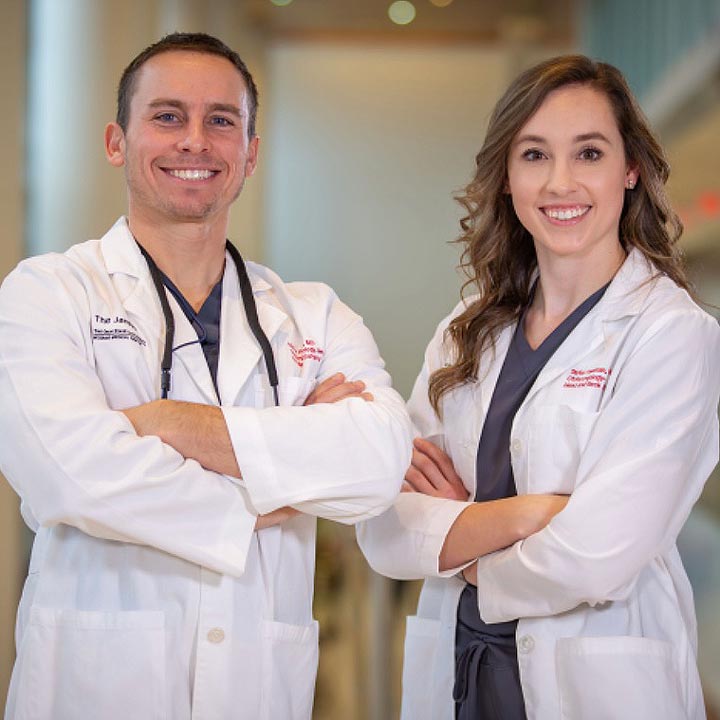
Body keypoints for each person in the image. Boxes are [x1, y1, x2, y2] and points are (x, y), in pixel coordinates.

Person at [0, 32, 412, 720]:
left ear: (249, 151)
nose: (195, 140)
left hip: (258, 688)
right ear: (116, 141)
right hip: (96, 691)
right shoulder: (46, 293)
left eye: (221, 120)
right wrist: (288, 486)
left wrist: (163, 424)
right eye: (167, 117)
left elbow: (377, 463)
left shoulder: (312, 314)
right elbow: (67, 474)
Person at [358, 54, 720, 720]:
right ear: (506, 177)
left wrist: (465, 557)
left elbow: (596, 557)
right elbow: (384, 525)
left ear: (629, 169)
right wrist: (528, 515)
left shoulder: (672, 334)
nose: (561, 182)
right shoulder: (464, 333)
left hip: (601, 687)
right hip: (462, 677)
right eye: (533, 155)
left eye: (588, 153)